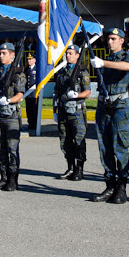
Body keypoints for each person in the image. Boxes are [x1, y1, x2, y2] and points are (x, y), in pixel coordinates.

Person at [89, 28, 129, 204]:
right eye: (108, 39)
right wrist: (102, 63)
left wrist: (103, 64)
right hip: (103, 106)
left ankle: (121, 187)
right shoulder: (106, 59)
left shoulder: (127, 57)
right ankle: (110, 185)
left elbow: (128, 67)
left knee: (120, 146)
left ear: (121, 40)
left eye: (114, 39)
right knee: (105, 146)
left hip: (119, 107)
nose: (110, 42)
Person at [0, 42, 26, 191]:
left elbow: (20, 95)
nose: (1, 56)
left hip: (11, 117)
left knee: (12, 149)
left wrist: (9, 100)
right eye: (0, 53)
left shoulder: (18, 73)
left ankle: (13, 180)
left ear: (12, 55)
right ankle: (3, 178)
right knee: (0, 149)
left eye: (4, 53)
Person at [53, 44, 91, 181]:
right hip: (63, 110)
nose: (68, 56)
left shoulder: (82, 72)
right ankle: (70, 167)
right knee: (65, 140)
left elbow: (88, 92)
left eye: (70, 53)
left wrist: (77, 95)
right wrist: (55, 110)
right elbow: (56, 92)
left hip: (77, 112)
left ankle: (79, 170)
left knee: (79, 140)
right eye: (67, 53)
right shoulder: (62, 72)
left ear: (77, 55)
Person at [24, 53, 38, 131]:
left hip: (34, 93)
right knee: (28, 109)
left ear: (34, 60)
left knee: (34, 109)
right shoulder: (26, 69)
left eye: (30, 59)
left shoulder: (37, 69)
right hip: (27, 93)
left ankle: (35, 124)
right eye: (28, 59)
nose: (29, 61)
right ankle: (30, 123)